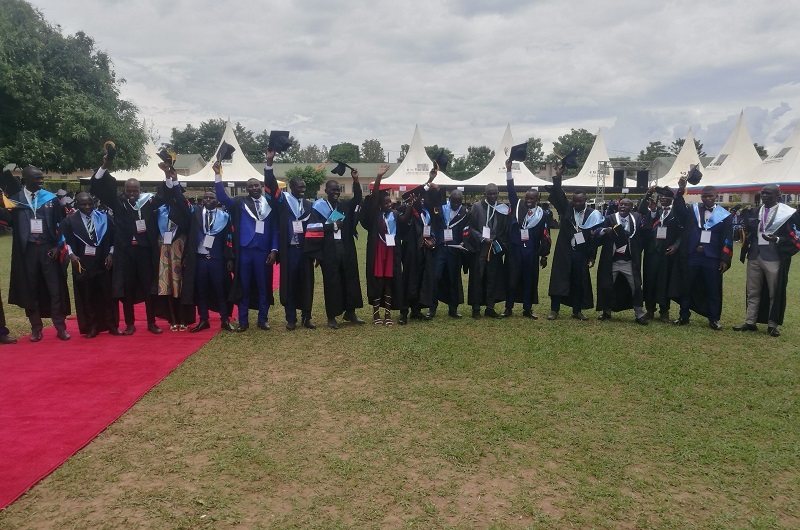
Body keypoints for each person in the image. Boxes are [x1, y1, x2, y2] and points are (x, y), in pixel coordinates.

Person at [91, 156, 167, 335]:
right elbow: (97, 186)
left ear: (140, 190)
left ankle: (151, 322)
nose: (132, 193)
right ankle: (130, 324)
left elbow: (165, 194)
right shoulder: (117, 202)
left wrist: (167, 174)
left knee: (149, 287)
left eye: (135, 190)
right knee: (127, 288)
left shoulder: (148, 202)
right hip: (125, 252)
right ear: (124, 190)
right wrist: (104, 165)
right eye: (128, 190)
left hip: (144, 251)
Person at [0, 166, 71, 341]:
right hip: (27, 251)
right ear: (25, 179)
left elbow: (61, 225)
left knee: (55, 289)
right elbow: (10, 223)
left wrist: (58, 246)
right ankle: (36, 328)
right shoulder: (15, 200)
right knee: (29, 288)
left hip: (48, 250)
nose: (41, 181)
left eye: (41, 178)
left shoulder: (52, 200)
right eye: (36, 178)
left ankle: (60, 327)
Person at [214, 162, 279, 332]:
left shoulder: (269, 205)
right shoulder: (239, 203)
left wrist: (274, 249)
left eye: (256, 185)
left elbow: (274, 230)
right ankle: (243, 321)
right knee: (243, 285)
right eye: (250, 186)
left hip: (263, 251)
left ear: (261, 186)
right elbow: (222, 198)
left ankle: (262, 319)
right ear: (246, 188)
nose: (254, 188)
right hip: (244, 251)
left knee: (264, 285)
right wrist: (217, 176)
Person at [732, 184, 800, 337]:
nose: (764, 196)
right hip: (755, 255)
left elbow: (793, 236)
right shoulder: (756, 211)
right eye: (763, 193)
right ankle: (750, 322)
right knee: (752, 291)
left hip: (774, 257)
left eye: (768, 194)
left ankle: (772, 324)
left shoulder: (787, 214)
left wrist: (776, 239)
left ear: (778, 195)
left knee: (774, 292)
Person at [263, 149, 316, 330]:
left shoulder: (308, 205)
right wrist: (269, 163)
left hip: (305, 250)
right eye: (300, 187)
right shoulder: (283, 201)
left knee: (306, 284)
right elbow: (271, 186)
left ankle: (306, 316)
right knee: (290, 283)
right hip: (289, 250)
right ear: (291, 187)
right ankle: (291, 318)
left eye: (304, 187)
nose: (303, 189)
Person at [306, 171, 364, 329]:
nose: (336, 192)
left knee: (349, 279)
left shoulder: (343, 206)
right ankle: (332, 316)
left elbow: (358, 198)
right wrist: (333, 225)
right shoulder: (318, 208)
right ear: (326, 191)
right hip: (329, 249)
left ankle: (350, 312)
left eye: (338, 189)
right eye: (333, 189)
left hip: (346, 247)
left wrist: (356, 180)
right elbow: (312, 229)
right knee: (332, 282)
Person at [672, 179, 733, 330]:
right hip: (693, 255)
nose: (707, 198)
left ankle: (714, 318)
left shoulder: (724, 215)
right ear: (701, 196)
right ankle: (683, 315)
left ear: (716, 196)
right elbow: (679, 211)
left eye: (710, 196)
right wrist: (680, 191)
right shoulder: (693, 210)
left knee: (713, 288)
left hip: (712, 258)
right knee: (687, 286)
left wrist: (725, 259)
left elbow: (727, 237)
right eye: (704, 196)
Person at [546, 169, 603, 321]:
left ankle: (577, 310)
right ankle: (554, 310)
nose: (577, 203)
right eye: (574, 201)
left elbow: (594, 238)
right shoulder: (567, 209)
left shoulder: (593, 214)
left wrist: (591, 256)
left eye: (580, 201)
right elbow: (558, 194)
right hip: (564, 251)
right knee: (559, 279)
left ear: (586, 200)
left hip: (580, 252)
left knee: (579, 281)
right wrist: (558, 178)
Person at [61, 192, 120, 338]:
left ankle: (112, 325)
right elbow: (64, 240)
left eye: (90, 203)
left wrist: (111, 254)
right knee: (87, 297)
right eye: (83, 204)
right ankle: (92, 326)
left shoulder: (104, 218)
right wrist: (71, 254)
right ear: (77, 204)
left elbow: (114, 239)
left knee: (108, 296)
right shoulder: (69, 222)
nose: (87, 207)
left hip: (103, 263)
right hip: (83, 264)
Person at [360, 164, 409, 326]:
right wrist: (379, 177)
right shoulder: (375, 215)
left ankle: (387, 314)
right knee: (378, 281)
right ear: (380, 205)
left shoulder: (394, 214)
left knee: (389, 281)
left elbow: (404, 220)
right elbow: (374, 198)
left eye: (390, 202)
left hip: (391, 252)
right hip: (378, 251)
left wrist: (412, 206)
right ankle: (376, 315)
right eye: (386, 203)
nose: (389, 205)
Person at [503, 159, 551, 318]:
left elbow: (545, 235)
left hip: (531, 252)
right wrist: (508, 171)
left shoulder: (542, 215)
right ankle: (508, 308)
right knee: (511, 279)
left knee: (529, 280)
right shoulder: (517, 206)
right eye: (527, 198)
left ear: (537, 199)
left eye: (532, 199)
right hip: (515, 251)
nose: (529, 201)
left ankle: (527, 309)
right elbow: (510, 190)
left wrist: (544, 255)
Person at [183, 189, 235, 333]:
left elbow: (229, 238)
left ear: (217, 201)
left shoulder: (224, 217)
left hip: (217, 260)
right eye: (205, 197)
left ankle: (225, 319)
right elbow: (182, 204)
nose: (207, 200)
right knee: (201, 290)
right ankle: (203, 319)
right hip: (200, 259)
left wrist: (230, 258)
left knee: (221, 290)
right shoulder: (196, 214)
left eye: (211, 197)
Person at [153, 163, 195, 331]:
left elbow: (178, 197)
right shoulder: (158, 210)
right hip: (164, 250)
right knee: (168, 284)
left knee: (181, 283)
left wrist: (173, 179)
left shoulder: (185, 208)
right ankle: (171, 319)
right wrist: (166, 177)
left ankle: (184, 318)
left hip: (180, 248)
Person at [594, 198, 647, 325]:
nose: (623, 207)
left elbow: (644, 232)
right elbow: (597, 232)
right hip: (612, 260)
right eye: (621, 204)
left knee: (636, 287)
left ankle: (639, 313)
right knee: (606, 285)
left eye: (626, 205)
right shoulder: (610, 218)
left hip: (629, 260)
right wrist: (604, 231)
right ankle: (606, 312)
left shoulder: (636, 218)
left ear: (631, 207)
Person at [465, 183, 511, 319]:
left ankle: (490, 307)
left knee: (493, 277)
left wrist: (498, 240)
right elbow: (470, 227)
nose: (492, 196)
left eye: (495, 193)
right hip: (480, 248)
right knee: (478, 277)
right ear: (485, 194)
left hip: (495, 247)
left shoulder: (502, 209)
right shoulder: (477, 207)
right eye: (490, 193)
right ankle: (476, 308)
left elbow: (505, 229)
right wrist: (481, 238)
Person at [638, 186, 682, 322]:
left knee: (665, 281)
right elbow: (640, 210)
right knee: (649, 280)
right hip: (652, 252)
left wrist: (676, 246)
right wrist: (648, 194)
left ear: (671, 198)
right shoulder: (653, 210)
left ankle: (664, 311)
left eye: (665, 196)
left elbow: (682, 233)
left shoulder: (676, 212)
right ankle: (650, 310)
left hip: (667, 253)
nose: (662, 199)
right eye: (660, 196)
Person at [397, 178, 437, 325]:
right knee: (408, 280)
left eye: (421, 197)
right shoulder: (404, 211)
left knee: (421, 279)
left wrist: (432, 240)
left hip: (424, 251)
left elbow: (431, 228)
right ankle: (403, 312)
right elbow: (402, 226)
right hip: (410, 252)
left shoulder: (425, 212)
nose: (421, 199)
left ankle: (416, 310)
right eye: (417, 197)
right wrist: (409, 207)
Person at [427, 182, 469, 318]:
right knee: (435, 277)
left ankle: (453, 309)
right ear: (449, 200)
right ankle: (432, 308)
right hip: (440, 249)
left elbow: (466, 229)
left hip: (454, 250)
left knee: (453, 279)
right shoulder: (441, 208)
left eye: (458, 202)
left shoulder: (464, 212)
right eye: (453, 202)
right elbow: (433, 222)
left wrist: (464, 240)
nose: (456, 205)